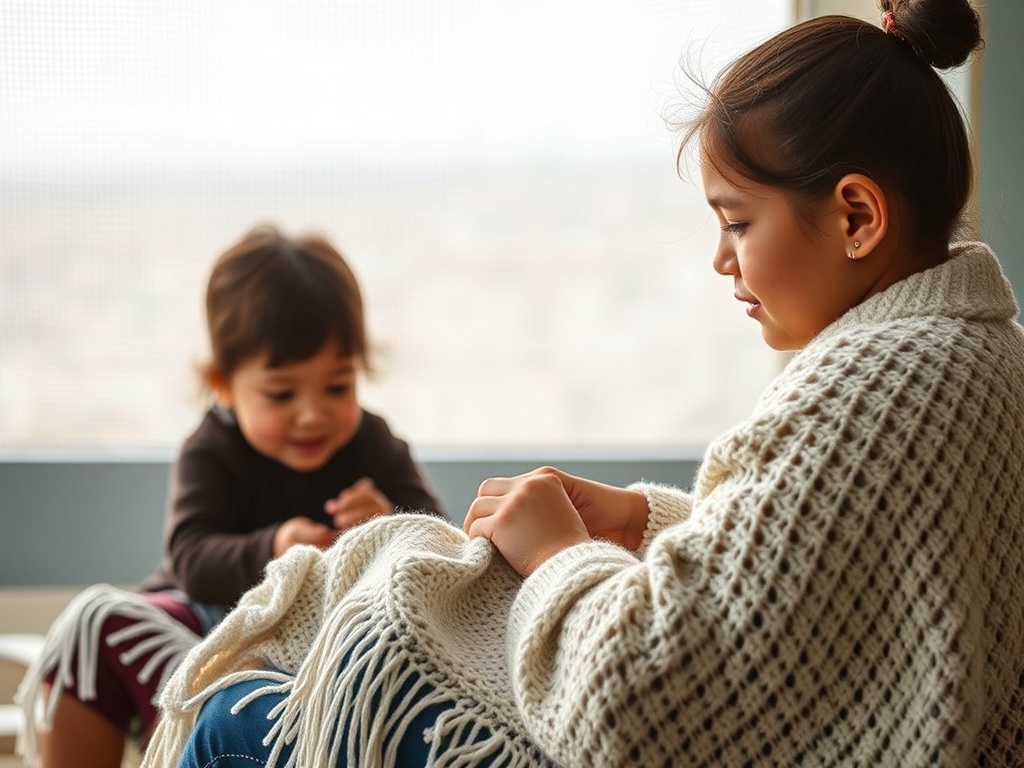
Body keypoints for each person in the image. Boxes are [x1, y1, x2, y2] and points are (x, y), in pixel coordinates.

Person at [143, 1, 1024, 765]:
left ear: (856, 216)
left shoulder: (876, 390)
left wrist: (557, 555)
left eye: (738, 222)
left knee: (232, 719)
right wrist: (643, 520)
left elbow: (641, 707)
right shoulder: (973, 353)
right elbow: (823, 571)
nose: (721, 259)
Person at [15, 225, 446, 768]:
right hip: (199, 637)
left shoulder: (373, 443)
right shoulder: (211, 447)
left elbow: (441, 550)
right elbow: (190, 557)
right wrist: (274, 547)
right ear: (223, 384)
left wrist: (388, 523)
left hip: (307, 661)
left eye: (337, 386)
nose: (312, 413)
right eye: (281, 393)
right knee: (94, 630)